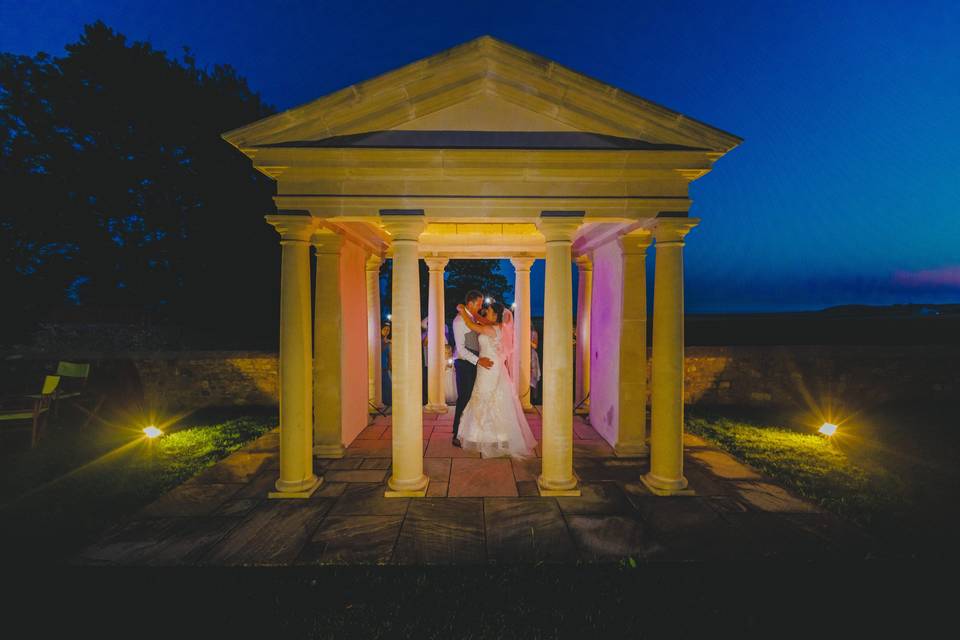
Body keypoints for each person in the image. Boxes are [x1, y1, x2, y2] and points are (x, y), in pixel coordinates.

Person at [453, 301, 537, 458]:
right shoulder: (496, 326)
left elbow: (472, 326)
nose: (486, 312)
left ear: (496, 315)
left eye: (489, 311)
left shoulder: (490, 329)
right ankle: (496, 435)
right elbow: (481, 321)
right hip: (491, 366)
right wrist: (475, 313)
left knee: (486, 396)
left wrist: (463, 310)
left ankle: (488, 436)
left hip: (489, 368)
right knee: (488, 396)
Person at [451, 290, 492, 447]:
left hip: (473, 363)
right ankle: (456, 433)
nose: (481, 306)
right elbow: (461, 349)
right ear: (470, 303)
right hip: (464, 363)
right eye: (479, 303)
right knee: (464, 398)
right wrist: (478, 360)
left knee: (472, 398)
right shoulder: (460, 321)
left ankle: (468, 431)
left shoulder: (472, 318)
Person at [530, 327, 541, 405]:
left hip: (532, 355)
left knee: (534, 376)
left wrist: (528, 341)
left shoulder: (534, 333)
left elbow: (535, 346)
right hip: (523, 355)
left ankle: (534, 398)